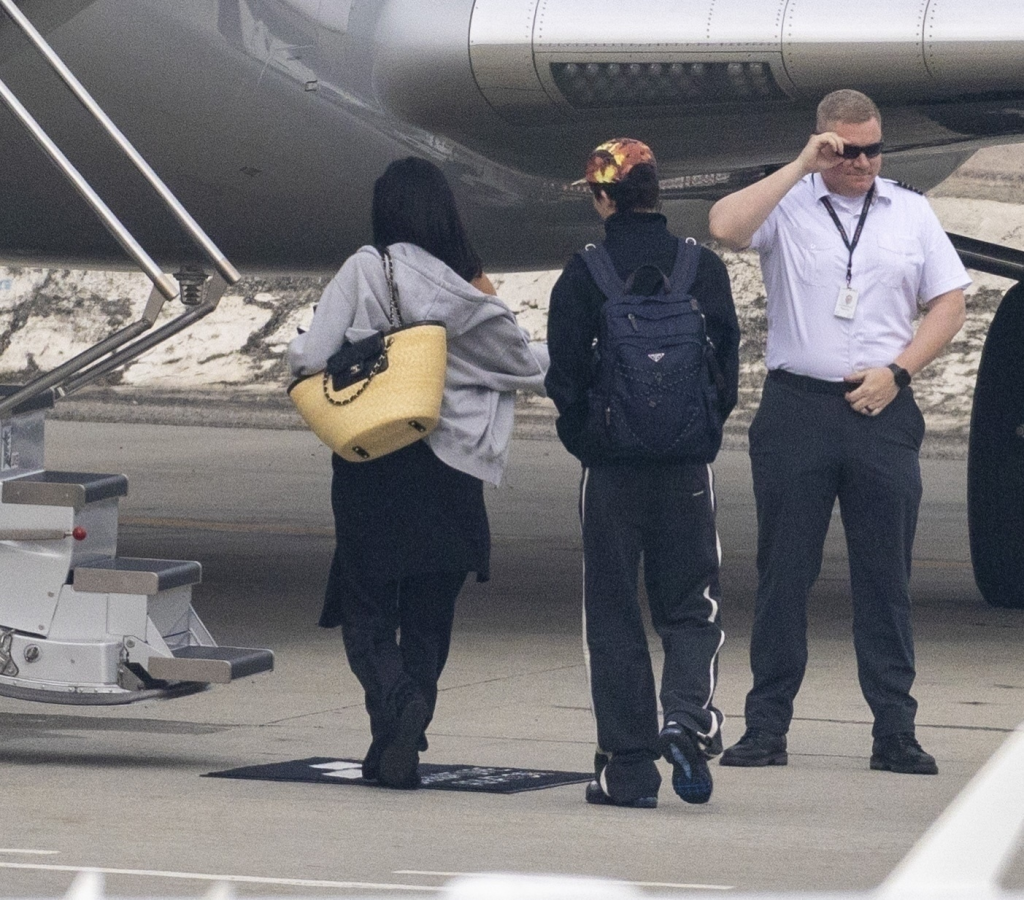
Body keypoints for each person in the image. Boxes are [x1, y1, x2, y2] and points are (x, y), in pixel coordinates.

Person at [708, 89, 968, 775]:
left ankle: (895, 731)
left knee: (885, 579)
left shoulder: (909, 212)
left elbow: (950, 301)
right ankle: (766, 726)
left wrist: (901, 371)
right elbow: (725, 227)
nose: (861, 162)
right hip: (798, 408)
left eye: (872, 149)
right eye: (846, 151)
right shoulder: (789, 204)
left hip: (882, 408)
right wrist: (800, 166)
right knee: (783, 575)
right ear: (823, 145)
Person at [287, 157, 548, 789]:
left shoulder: (367, 268)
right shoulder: (473, 289)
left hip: (374, 456)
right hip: (453, 467)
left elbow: (314, 355)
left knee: (365, 605)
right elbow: (525, 366)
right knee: (431, 609)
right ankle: (398, 732)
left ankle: (397, 706)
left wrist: (299, 352)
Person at [546, 138, 740, 807]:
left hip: (612, 474)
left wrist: (594, 442)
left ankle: (626, 770)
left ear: (602, 198)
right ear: (659, 192)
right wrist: (695, 435)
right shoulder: (701, 269)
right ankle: (687, 718)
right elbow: (728, 374)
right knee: (692, 607)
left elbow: (564, 379)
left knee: (613, 616)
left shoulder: (584, 272)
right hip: (686, 468)